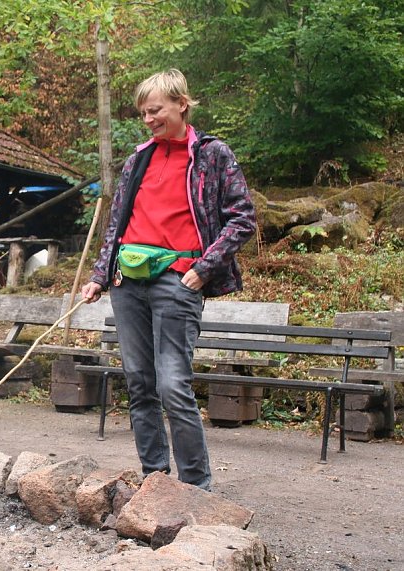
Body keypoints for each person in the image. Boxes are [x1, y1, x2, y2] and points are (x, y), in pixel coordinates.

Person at [80, 69, 256, 491]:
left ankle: (196, 489)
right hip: (127, 284)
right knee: (140, 383)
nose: (148, 119)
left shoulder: (212, 155)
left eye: (155, 110)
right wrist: (100, 277)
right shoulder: (137, 159)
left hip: (179, 282)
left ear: (181, 103)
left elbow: (242, 218)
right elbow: (116, 225)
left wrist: (204, 267)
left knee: (173, 384)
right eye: (143, 112)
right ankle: (154, 481)